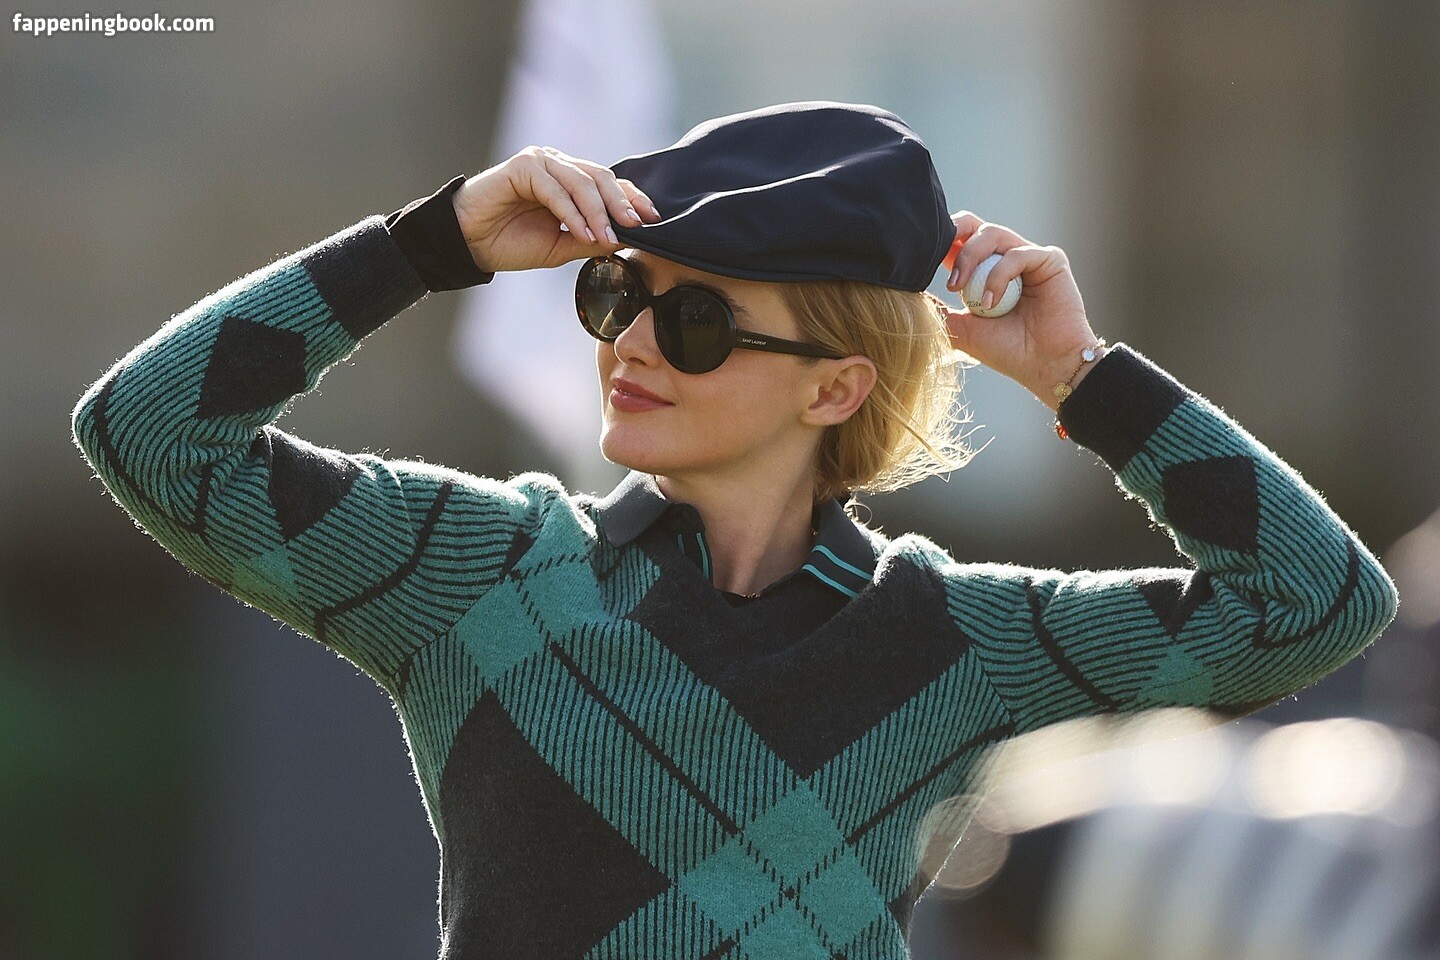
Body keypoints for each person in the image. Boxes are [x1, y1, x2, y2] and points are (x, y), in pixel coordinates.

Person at [71, 100, 1398, 960]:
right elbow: (148, 432)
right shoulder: (478, 572)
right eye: (618, 296)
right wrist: (429, 247)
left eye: (697, 321)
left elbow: (1318, 604)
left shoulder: (956, 638)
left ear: (836, 388)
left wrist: (1081, 378)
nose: (633, 345)